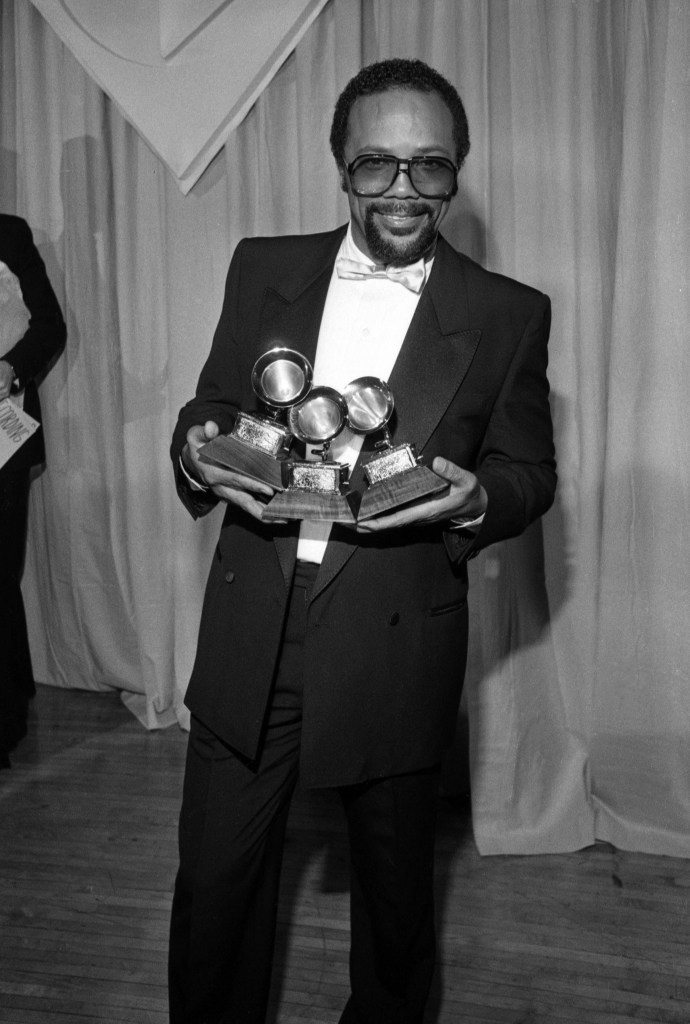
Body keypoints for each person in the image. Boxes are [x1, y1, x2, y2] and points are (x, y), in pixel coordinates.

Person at [169, 58, 556, 1024]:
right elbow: (214, 406)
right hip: (254, 623)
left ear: (457, 171)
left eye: (428, 167)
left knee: (392, 914)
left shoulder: (509, 312)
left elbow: (528, 474)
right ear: (340, 165)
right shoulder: (263, 265)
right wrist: (193, 450)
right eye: (375, 165)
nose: (401, 190)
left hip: (395, 637)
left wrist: (473, 501)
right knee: (214, 893)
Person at [0, 214, 66, 768]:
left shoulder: (9, 233)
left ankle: (6, 718)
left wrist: (9, 368)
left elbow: (50, 325)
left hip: (2, 430)